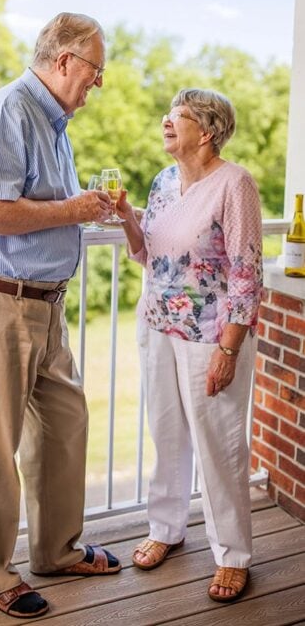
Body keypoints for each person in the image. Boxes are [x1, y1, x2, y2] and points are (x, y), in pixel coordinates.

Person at [0, 12, 121, 620]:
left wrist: (81, 209)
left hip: (44, 307)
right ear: (65, 60)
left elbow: (42, 207)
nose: (99, 82)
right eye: (95, 68)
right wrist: (74, 208)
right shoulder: (9, 110)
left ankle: (56, 550)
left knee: (64, 425)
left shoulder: (55, 123)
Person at [116, 88, 263, 603]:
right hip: (157, 324)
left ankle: (233, 555)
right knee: (166, 433)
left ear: (206, 130)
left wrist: (229, 349)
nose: (164, 121)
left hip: (210, 336)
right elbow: (148, 254)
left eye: (175, 116)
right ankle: (166, 528)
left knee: (220, 445)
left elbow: (246, 275)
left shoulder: (234, 183)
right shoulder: (161, 182)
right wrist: (125, 215)